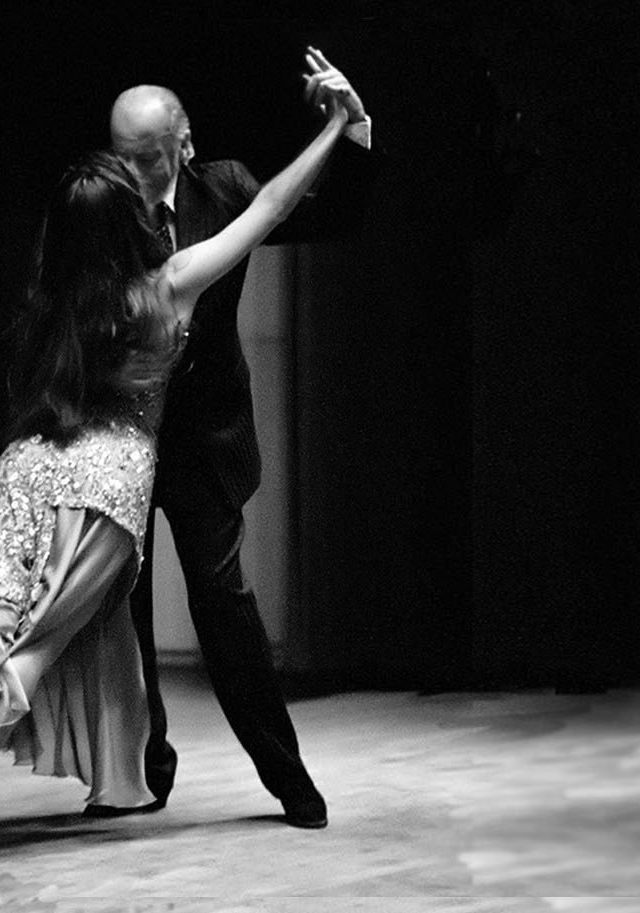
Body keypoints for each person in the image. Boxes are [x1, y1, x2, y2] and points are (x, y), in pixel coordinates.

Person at [0, 84, 355, 881]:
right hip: (106, 486)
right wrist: (338, 123)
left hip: (28, 471)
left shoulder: (57, 295)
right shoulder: (166, 287)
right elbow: (272, 208)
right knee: (31, 650)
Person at [101, 48, 376, 828]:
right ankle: (144, 769)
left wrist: (352, 129)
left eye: (149, 157)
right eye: (123, 156)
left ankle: (288, 777)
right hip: (118, 437)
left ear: (184, 143)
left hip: (203, 440)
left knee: (225, 608)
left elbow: (320, 212)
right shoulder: (98, 206)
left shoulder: (222, 188)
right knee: (119, 611)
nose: (133, 173)